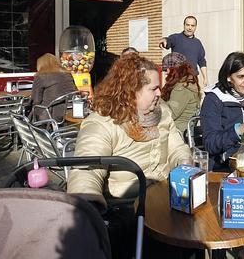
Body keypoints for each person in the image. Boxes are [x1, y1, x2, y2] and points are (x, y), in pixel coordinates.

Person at [67, 53, 191, 209]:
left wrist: (185, 163)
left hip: (166, 198)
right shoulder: (103, 123)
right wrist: (89, 205)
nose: (159, 93)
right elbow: (86, 171)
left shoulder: (162, 112)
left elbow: (177, 147)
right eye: (153, 89)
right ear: (131, 91)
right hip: (127, 208)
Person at [200, 52, 244, 171]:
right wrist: (238, 130)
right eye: (241, 77)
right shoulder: (213, 100)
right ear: (228, 77)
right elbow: (210, 144)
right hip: (223, 167)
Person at [159, 16, 208, 86]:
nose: (190, 28)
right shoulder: (176, 38)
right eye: (187, 25)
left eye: (192, 25)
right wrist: (164, 41)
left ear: (195, 27)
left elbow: (201, 61)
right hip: (177, 79)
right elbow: (168, 41)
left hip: (192, 80)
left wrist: (205, 78)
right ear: (184, 25)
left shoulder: (198, 43)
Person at [161, 52, 201, 133]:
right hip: (182, 129)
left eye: (167, 69)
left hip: (177, 131)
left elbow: (171, 114)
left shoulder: (182, 88)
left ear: (174, 69)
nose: (166, 72)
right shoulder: (188, 83)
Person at [30, 53, 76, 122]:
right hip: (69, 111)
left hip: (49, 116)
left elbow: (36, 100)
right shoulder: (67, 74)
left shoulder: (40, 77)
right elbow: (75, 92)